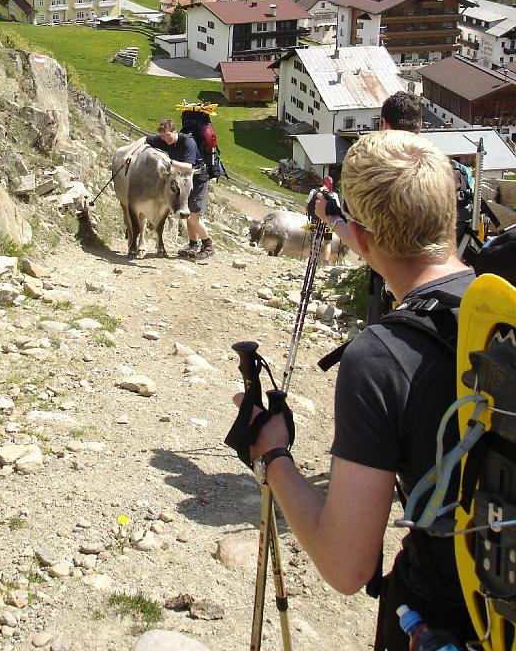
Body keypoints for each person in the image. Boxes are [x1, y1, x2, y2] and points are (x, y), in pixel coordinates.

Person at [232, 130, 477, 650]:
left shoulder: (382, 357)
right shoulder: (502, 308)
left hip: (446, 623)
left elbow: (347, 567)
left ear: (360, 240)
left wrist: (272, 454)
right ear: (450, 217)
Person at [123, 117, 213, 260]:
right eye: (163, 136)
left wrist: (168, 161)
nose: (166, 139)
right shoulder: (166, 140)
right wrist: (129, 153)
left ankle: (208, 245)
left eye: (168, 135)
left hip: (196, 180)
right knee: (187, 214)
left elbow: (189, 166)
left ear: (174, 131)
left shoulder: (188, 142)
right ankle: (192, 244)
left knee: (193, 216)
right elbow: (144, 139)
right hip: (181, 181)